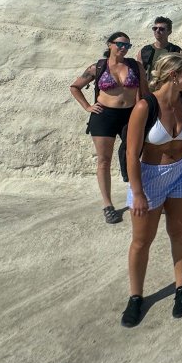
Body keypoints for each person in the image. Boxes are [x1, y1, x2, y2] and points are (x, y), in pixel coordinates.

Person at [120, 52, 182, 327]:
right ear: (173, 75)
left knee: (179, 232)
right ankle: (136, 297)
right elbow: (131, 155)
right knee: (142, 240)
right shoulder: (146, 106)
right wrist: (138, 192)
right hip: (150, 177)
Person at [69, 32, 149, 224]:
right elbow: (75, 87)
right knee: (104, 160)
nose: (123, 48)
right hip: (103, 115)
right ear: (110, 45)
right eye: (120, 44)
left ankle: (139, 196)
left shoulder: (135, 66)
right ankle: (108, 205)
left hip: (130, 114)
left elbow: (144, 91)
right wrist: (88, 106)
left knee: (135, 154)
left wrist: (145, 110)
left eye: (127, 46)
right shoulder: (98, 67)